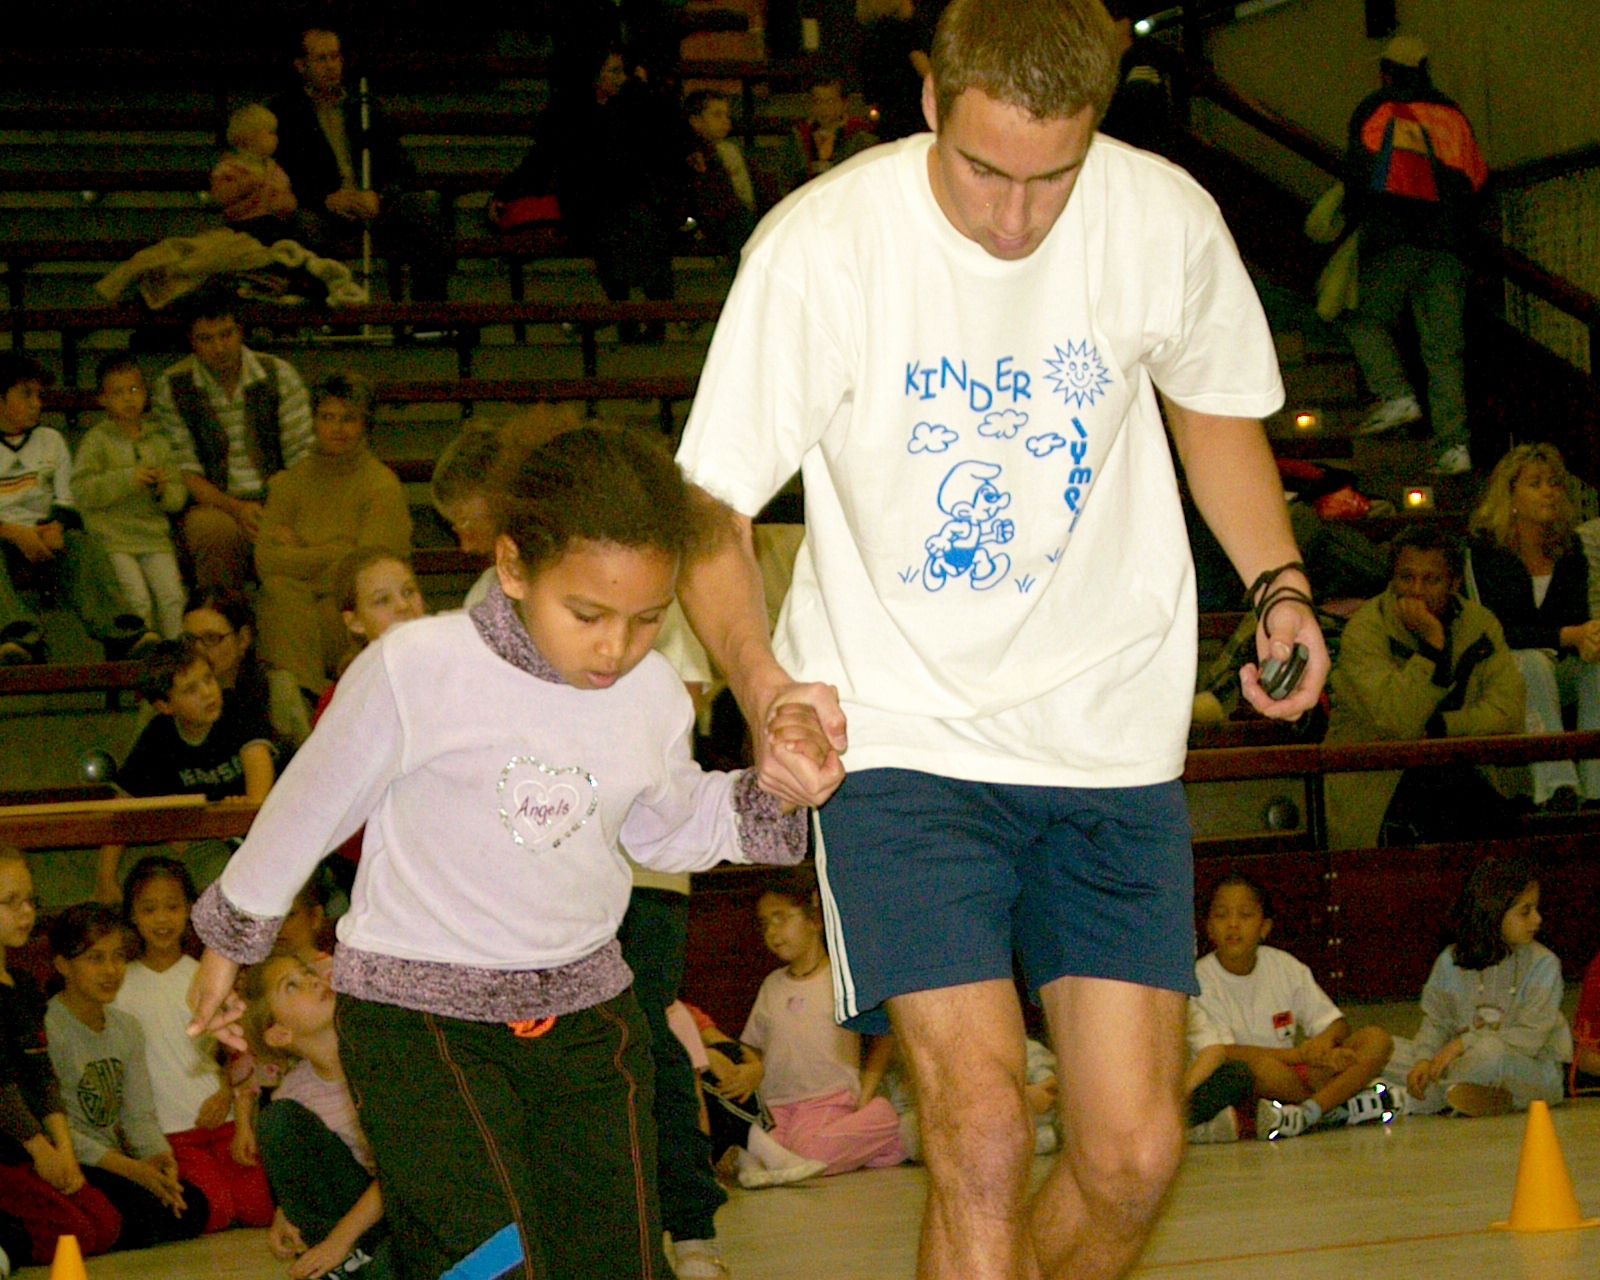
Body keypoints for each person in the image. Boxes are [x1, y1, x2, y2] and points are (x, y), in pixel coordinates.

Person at [673, 1, 1327, 1274]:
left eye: (1053, 177)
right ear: (930, 101)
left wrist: (1279, 584)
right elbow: (710, 509)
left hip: (1109, 732)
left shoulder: (1162, 219)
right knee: (978, 1131)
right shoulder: (823, 246)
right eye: (984, 170)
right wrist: (762, 681)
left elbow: (1213, 410)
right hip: (900, 735)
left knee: (1134, 1157)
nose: (1016, 218)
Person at [187, 426, 815, 1280]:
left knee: (616, 1262)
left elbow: (663, 826)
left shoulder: (651, 694)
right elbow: (307, 806)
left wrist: (773, 791)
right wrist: (229, 941)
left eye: (648, 619)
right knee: (487, 1264)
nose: (616, 647)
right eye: (587, 615)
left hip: (586, 1020)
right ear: (514, 567)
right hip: (418, 1023)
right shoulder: (418, 666)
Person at [1324, 524, 1524, 848]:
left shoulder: (1480, 624)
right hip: (1380, 781)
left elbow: (1508, 712)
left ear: (1454, 583)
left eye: (1431, 580)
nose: (1416, 591)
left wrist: (1443, 727)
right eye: (1406, 578)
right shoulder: (1366, 630)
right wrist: (1431, 648)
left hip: (1465, 772)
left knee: (1494, 820)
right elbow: (1399, 722)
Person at [1345, 35, 1487, 475]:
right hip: (1452, 247)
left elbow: (1361, 175)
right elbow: (1479, 180)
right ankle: (1455, 447)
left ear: (1386, 71)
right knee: (1444, 351)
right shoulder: (1454, 116)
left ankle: (1396, 396)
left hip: (1397, 238)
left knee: (1365, 320)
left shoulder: (1380, 109)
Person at [112, 857, 274, 1235]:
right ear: (132, 915)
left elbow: (237, 1052)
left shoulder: (208, 976)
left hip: (225, 1120)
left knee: (259, 1212)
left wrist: (227, 1094)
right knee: (214, 1215)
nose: (162, 919)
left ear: (190, 909)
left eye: (172, 907)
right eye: (149, 909)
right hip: (170, 1131)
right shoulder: (119, 986)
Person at [255, 373, 411, 744]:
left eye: (348, 419)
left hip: (350, 618)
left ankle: (306, 720)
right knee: (278, 595)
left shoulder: (381, 486)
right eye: (327, 417)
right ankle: (300, 711)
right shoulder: (291, 482)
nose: (336, 428)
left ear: (364, 424)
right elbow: (266, 562)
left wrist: (300, 551)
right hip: (299, 613)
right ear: (314, 422)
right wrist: (335, 549)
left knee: (291, 600)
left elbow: (366, 578)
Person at [45, 904, 212, 1249]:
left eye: (118, 957)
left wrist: (159, 1159)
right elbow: (55, 1128)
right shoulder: (48, 1027)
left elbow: (138, 1114)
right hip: (77, 1160)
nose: (111, 971)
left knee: (193, 1206)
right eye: (95, 959)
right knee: (138, 1217)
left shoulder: (127, 1029)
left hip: (118, 1159)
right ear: (62, 965)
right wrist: (130, 1169)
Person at [733, 867, 906, 1183]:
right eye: (765, 923)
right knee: (762, 1154)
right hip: (777, 1106)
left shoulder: (842, 979)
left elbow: (886, 1034)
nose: (772, 932)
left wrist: (866, 1092)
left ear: (815, 920)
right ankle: (876, 1147)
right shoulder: (771, 985)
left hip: (829, 1099)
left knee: (807, 1153)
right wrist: (748, 1071)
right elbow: (753, 1045)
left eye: (781, 918)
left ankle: (883, 1119)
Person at [1196, 877, 1395, 1139]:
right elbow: (1226, 1053)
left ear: (1264, 927)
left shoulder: (1284, 966)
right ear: (1209, 928)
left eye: (1245, 915)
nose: (1233, 925)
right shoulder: (1200, 979)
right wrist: (1300, 1055)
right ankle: (1335, 1105)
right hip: (1252, 1081)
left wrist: (1324, 1044)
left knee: (1376, 1039)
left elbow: (1336, 1024)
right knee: (1262, 1070)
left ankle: (1308, 1113)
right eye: (1222, 916)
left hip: (1298, 1072)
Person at [0, 848, 123, 1267]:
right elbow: (2, 1089)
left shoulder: (24, 987)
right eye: (11, 902)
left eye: (30, 900)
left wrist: (64, 1149)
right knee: (74, 1232)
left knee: (105, 1224)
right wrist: (40, 1150)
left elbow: (42, 1076)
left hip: (32, 1145)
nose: (26, 912)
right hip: (11, 1145)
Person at [269, 28, 451, 301]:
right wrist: (325, 199)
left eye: (335, 57)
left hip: (371, 203)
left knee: (425, 206)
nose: (331, 66)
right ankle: (326, 311)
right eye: (321, 59)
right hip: (322, 209)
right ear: (301, 66)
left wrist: (379, 196)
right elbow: (282, 175)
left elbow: (402, 169)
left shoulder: (365, 107)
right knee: (303, 225)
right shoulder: (285, 113)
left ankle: (430, 312)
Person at [239, 955, 392, 1280]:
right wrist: (288, 1213)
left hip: (406, 1206)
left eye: (308, 973)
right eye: (292, 986)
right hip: (360, 1212)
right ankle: (341, 1264)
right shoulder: (294, 1095)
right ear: (280, 1034)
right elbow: (306, 1173)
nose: (314, 981)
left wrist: (340, 1240)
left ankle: (348, 1257)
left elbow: (404, 1171)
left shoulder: (383, 1056)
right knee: (276, 1121)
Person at [1386, 855, 1570, 1116]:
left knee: (1490, 1053)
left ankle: (1402, 1100)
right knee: (1385, 1048)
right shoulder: (1451, 960)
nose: (1537, 919)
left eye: (1536, 909)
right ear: (1493, 912)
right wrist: (1424, 1060)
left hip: (1528, 1072)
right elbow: (1436, 1023)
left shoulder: (1544, 965)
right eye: (1525, 911)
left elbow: (1529, 1039)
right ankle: (1467, 1095)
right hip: (1460, 1065)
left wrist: (1462, 1044)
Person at [151, 298, 314, 591]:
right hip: (213, 503)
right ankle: (223, 613)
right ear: (191, 341)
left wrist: (278, 512)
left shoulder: (279, 374)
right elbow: (185, 472)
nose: (219, 348)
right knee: (212, 531)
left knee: (299, 532)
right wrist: (236, 509)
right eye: (206, 339)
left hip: (279, 497)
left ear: (241, 331)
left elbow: (302, 459)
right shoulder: (173, 386)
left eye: (226, 335)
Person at [1469, 443, 1600, 807]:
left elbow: (1575, 617)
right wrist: (1566, 636)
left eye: (1554, 483)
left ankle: (1596, 788)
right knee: (1533, 662)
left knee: (1597, 667)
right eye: (1536, 484)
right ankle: (1556, 787)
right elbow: (1495, 631)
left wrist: (1589, 637)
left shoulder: (1570, 548)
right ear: (1511, 496)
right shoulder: (1487, 549)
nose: (1549, 492)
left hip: (1557, 662)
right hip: (1498, 668)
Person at [95, 642, 276, 904]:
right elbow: (123, 808)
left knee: (219, 877)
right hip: (192, 839)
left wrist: (238, 815)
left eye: (209, 679)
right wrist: (105, 877)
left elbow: (258, 801)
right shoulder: (158, 735)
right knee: (140, 881)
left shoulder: (240, 713)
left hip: (253, 839)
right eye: (191, 689)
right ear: (165, 705)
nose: (207, 693)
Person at [0, 353, 147, 665]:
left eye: (39, 395)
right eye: (26, 395)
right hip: (4, 536)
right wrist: (16, 534)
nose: (37, 403)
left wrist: (57, 526)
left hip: (46, 533)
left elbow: (66, 498)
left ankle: (121, 631)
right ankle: (16, 637)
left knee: (83, 546)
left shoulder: (50, 440)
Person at [72, 354, 189, 644]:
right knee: (136, 599)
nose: (128, 399)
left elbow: (177, 496)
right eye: (118, 393)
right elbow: (83, 490)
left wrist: (163, 491)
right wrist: (128, 479)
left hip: (154, 537)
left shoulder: (158, 440)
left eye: (134, 390)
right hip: (114, 539)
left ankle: (176, 652)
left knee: (173, 596)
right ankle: (141, 651)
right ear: (102, 399)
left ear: (146, 394)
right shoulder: (96, 441)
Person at [182, 586, 285, 751]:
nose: (198, 649)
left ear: (243, 638)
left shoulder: (278, 688)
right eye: (190, 640)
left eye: (211, 638)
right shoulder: (170, 693)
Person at [209, 103, 302, 243]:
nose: (276, 138)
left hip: (275, 219)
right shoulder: (230, 168)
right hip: (244, 222)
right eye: (271, 133)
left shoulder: (273, 168)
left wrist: (287, 201)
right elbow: (220, 196)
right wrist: (245, 185)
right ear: (250, 136)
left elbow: (284, 188)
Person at [683, 90, 758, 257]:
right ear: (696, 121)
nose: (725, 121)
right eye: (717, 115)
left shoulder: (731, 149)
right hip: (712, 221)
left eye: (727, 116)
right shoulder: (694, 154)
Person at [779, 78, 879, 192]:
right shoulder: (799, 138)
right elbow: (786, 179)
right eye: (818, 102)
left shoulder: (860, 138)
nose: (824, 108)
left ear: (844, 104)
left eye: (830, 102)